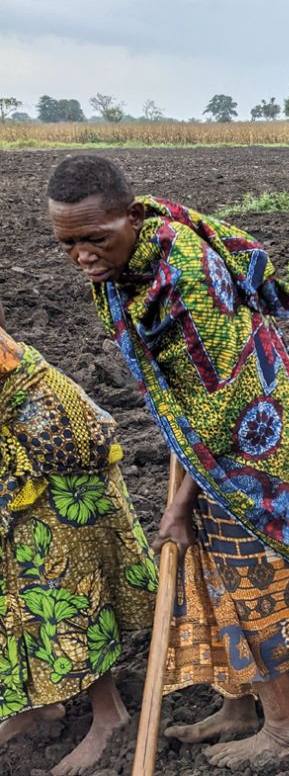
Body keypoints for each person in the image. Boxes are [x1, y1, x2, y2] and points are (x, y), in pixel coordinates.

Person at [46, 155, 289, 768]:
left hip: (255, 447)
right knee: (214, 574)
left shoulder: (186, 279)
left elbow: (222, 412)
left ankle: (283, 728)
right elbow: (182, 389)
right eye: (67, 242)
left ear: (130, 215)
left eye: (95, 238)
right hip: (208, 435)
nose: (83, 256)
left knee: (249, 579)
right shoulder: (130, 262)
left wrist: (178, 505)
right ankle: (238, 705)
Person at [0, 297, 156, 776]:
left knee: (61, 583)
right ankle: (33, 702)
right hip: (17, 430)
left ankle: (109, 715)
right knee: (13, 580)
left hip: (50, 447)